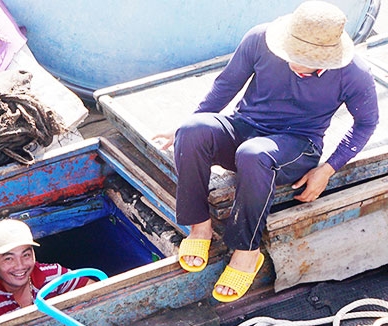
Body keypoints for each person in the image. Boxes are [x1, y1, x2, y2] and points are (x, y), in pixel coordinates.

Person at [155, 1, 379, 302]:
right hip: (245, 125)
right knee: (192, 131)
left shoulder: (354, 74)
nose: (291, 61)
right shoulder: (259, 39)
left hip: (297, 144)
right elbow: (225, 85)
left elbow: (366, 124)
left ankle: (247, 252)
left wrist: (328, 168)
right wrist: (188, 123)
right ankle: (200, 228)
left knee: (254, 154)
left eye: (302, 58)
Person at [0, 219, 95, 321]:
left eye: (26, 255)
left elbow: (96, 291)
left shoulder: (53, 274)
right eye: (9, 258)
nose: (20, 266)